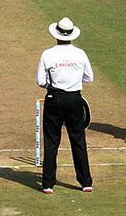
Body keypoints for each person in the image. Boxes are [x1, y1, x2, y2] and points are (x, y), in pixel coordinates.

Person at [36, 17, 94, 194]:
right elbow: (90, 78)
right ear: (71, 35)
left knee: (52, 141)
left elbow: (40, 81)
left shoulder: (48, 54)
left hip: (54, 98)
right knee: (78, 140)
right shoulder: (80, 54)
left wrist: (53, 84)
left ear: (56, 35)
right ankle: (85, 182)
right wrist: (74, 79)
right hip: (75, 99)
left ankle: (47, 184)